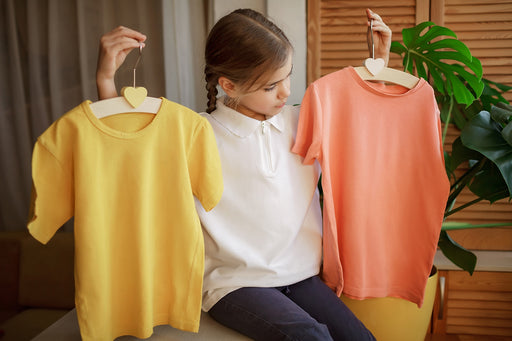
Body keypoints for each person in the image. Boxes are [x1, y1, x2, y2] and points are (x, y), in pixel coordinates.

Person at [96, 8, 391, 341]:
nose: (285, 92)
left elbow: (364, 119)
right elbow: (127, 152)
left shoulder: (305, 121)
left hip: (300, 276)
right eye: (270, 86)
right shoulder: (195, 133)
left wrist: (378, 64)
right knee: (311, 336)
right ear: (229, 85)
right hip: (233, 283)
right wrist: (106, 80)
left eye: (287, 77)